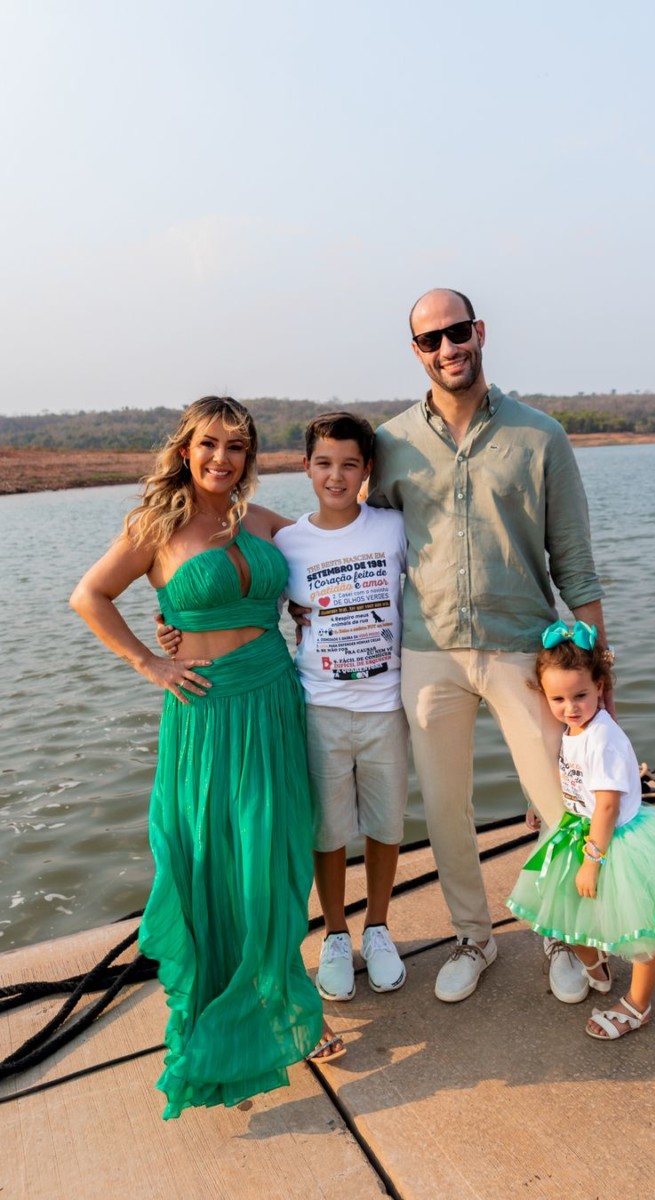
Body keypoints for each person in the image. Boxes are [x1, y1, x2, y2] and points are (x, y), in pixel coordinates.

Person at [70, 396, 341, 1122]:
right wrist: (148, 662)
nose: (222, 458)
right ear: (186, 449)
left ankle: (283, 999)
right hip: (206, 711)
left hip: (273, 698)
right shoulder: (154, 527)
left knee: (275, 855)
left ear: (250, 457)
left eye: (237, 447)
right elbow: (89, 596)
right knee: (218, 862)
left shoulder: (262, 522)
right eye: (210, 444)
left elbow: (333, 549)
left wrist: (308, 604)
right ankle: (233, 1013)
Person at [368, 287, 612, 1003]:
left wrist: (600, 677)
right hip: (428, 651)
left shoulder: (542, 436)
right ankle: (474, 937)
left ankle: (561, 933)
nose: (447, 348)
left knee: (560, 805)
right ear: (417, 351)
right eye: (430, 339)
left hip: (522, 649)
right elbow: (357, 546)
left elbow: (575, 564)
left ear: (479, 331)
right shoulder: (389, 445)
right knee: (446, 809)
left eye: (456, 332)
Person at [506, 621, 655, 1039]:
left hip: (615, 841)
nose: (570, 707)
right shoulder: (572, 729)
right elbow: (570, 777)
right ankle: (596, 963)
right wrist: (538, 804)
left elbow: (608, 806)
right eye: (557, 699)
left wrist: (593, 860)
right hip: (579, 830)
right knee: (560, 914)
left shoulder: (603, 738)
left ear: (600, 687)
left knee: (640, 932)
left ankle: (638, 1004)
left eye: (580, 696)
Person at [273, 412, 408, 1002]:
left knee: (386, 825)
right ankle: (334, 933)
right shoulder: (287, 543)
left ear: (367, 470)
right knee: (326, 830)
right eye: (324, 463)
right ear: (305, 467)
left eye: (350, 464)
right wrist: (172, 626)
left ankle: (377, 927)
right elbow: (247, 604)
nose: (336, 476)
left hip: (386, 706)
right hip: (320, 707)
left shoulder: (393, 528)